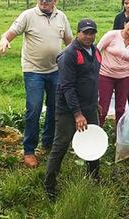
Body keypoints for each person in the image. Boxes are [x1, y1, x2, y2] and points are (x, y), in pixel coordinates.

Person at [0, 0, 73, 168]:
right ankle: (29, 150)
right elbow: (10, 33)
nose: (43, 1)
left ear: (55, 0)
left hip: (55, 70)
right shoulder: (28, 15)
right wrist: (4, 40)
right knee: (34, 108)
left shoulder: (61, 17)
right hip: (33, 70)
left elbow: (69, 42)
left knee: (55, 107)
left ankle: (48, 142)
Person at [44, 19, 102, 201]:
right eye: (85, 32)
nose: (88, 36)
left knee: (94, 143)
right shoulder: (69, 55)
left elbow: (93, 79)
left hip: (90, 106)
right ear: (77, 33)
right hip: (68, 110)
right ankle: (49, 186)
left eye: (92, 33)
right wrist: (77, 114)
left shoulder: (96, 51)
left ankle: (94, 179)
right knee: (60, 146)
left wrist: (96, 101)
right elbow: (67, 87)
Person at [96, 15, 129, 126]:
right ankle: (97, 132)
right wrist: (93, 71)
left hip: (123, 78)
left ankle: (119, 136)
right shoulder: (112, 35)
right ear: (125, 24)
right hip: (106, 75)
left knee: (121, 109)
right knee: (103, 107)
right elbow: (96, 51)